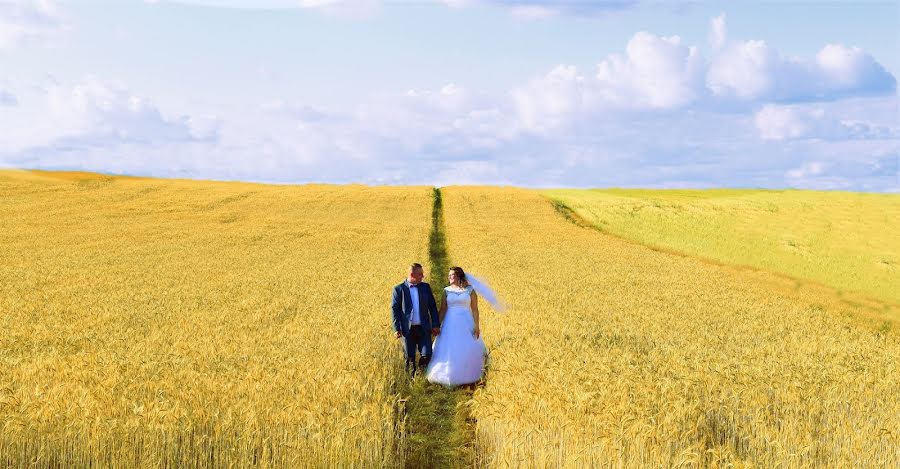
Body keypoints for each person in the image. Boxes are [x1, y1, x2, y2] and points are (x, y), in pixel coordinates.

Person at [425, 266, 487, 386]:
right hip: (450, 322)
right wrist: (436, 324)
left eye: (452, 275)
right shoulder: (446, 290)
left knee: (466, 346)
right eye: (449, 275)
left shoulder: (470, 290)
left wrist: (476, 326)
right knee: (449, 347)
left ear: (458, 276)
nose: (449, 277)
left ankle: (469, 374)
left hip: (466, 322)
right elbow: (443, 309)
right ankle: (447, 374)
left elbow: (475, 310)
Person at [391, 263, 440, 377]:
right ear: (412, 275)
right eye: (420, 274)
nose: (423, 276)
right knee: (409, 356)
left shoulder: (425, 287)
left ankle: (422, 375)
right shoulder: (398, 289)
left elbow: (432, 306)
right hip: (407, 330)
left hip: (423, 328)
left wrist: (435, 324)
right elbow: (395, 310)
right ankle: (411, 379)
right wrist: (396, 328)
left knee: (427, 354)